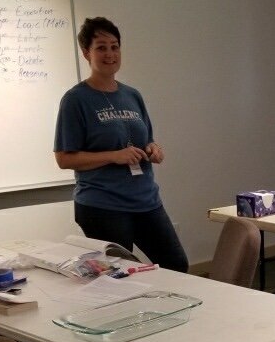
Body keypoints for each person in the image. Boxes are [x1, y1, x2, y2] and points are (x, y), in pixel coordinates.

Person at [54, 17, 188, 272]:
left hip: (146, 200)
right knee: (117, 277)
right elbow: (64, 158)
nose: (110, 54)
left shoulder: (131, 95)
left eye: (115, 47)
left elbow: (146, 139)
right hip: (103, 205)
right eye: (101, 47)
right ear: (86, 53)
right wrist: (114, 156)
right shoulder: (75, 100)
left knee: (176, 265)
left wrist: (153, 150)